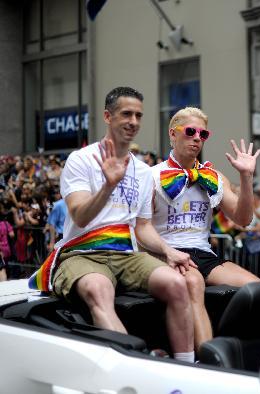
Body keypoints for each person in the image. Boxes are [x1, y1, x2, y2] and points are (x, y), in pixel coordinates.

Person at [28, 87, 196, 363]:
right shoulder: (81, 159)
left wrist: (168, 251)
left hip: (126, 255)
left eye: (138, 115)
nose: (133, 121)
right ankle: (134, 365)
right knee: (99, 289)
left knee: (178, 284)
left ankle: (187, 367)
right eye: (126, 114)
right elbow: (80, 216)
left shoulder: (143, 171)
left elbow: (142, 227)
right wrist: (108, 185)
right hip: (80, 254)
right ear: (108, 116)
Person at [151, 107, 260, 351]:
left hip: (203, 255)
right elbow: (139, 228)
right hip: (164, 254)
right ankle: (210, 363)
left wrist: (246, 177)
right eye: (190, 131)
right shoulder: (152, 176)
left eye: (203, 134)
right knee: (193, 283)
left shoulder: (213, 176)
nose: (197, 138)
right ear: (173, 133)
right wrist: (164, 252)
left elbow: (243, 219)